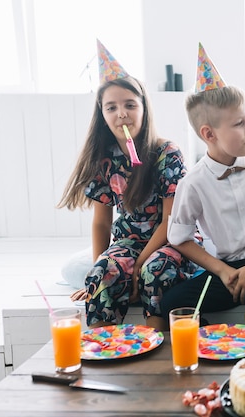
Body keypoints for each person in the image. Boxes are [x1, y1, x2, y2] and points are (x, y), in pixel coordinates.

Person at [153, 43, 245, 329]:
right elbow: (179, 236)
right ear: (209, 134)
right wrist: (222, 271)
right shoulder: (193, 183)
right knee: (173, 303)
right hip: (230, 269)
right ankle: (219, 343)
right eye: (239, 123)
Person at [57, 40, 189, 328]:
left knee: (154, 272)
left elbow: (172, 219)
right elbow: (101, 223)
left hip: (171, 238)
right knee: (101, 274)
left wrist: (138, 265)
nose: (122, 114)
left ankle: (155, 348)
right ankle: (104, 351)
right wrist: (100, 272)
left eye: (130, 105)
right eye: (111, 107)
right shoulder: (104, 160)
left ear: (144, 109)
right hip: (128, 241)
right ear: (103, 116)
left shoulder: (167, 153)